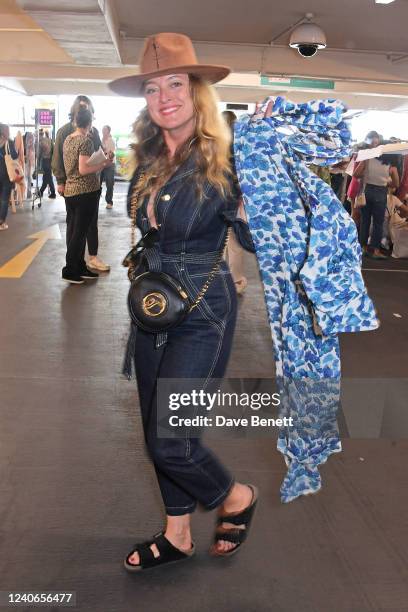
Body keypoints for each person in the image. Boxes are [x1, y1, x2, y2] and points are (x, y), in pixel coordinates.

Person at [109, 32, 258, 572]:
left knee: (172, 441)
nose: (164, 96)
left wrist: (249, 210)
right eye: (152, 88)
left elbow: (256, 241)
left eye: (176, 83)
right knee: (156, 430)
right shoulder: (148, 157)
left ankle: (235, 496)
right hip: (153, 305)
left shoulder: (229, 157)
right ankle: (177, 536)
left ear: (197, 91)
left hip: (202, 309)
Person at [52, 95, 110, 272]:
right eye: (83, 108)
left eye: (88, 109)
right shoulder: (64, 133)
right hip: (75, 186)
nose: (86, 112)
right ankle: (73, 264)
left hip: (91, 186)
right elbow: (58, 159)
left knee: (89, 223)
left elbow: (100, 151)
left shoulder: (92, 133)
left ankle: (88, 259)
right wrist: (60, 181)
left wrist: (104, 157)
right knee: (75, 226)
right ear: (75, 112)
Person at [62, 108, 113, 284]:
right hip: (85, 192)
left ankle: (79, 266)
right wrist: (103, 164)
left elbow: (74, 166)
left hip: (71, 191)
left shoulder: (68, 139)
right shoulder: (85, 141)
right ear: (89, 123)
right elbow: (84, 169)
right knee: (80, 233)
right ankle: (69, 270)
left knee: (77, 232)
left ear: (76, 121)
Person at [354, 132, 399, 259]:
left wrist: (367, 175)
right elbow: (396, 182)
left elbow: (356, 174)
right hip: (381, 191)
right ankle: (374, 250)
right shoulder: (390, 162)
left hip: (367, 190)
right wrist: (386, 180)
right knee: (378, 223)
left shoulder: (367, 157)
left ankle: (362, 248)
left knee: (365, 221)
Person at [222, 110, 248, 295]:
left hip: (215, 196)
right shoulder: (241, 144)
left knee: (219, 240)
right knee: (234, 241)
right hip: (234, 196)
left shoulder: (214, 143)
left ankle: (219, 277)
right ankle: (236, 280)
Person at [0, 123, 20, 230]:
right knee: (4, 200)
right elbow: (14, 156)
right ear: (5, 132)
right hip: (7, 175)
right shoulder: (10, 143)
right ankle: (1, 222)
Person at [101, 125, 116, 209]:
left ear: (109, 131)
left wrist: (106, 154)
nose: (103, 131)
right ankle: (96, 200)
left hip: (110, 164)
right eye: (102, 129)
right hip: (101, 163)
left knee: (109, 183)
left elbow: (112, 154)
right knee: (97, 183)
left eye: (105, 130)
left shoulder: (111, 141)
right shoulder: (101, 140)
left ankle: (109, 202)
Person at [38, 130, 56, 199]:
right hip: (50, 160)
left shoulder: (42, 142)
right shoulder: (50, 140)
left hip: (45, 161)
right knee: (46, 177)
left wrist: (38, 161)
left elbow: (39, 153)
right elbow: (53, 150)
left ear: (40, 134)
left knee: (48, 177)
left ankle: (53, 193)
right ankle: (41, 191)